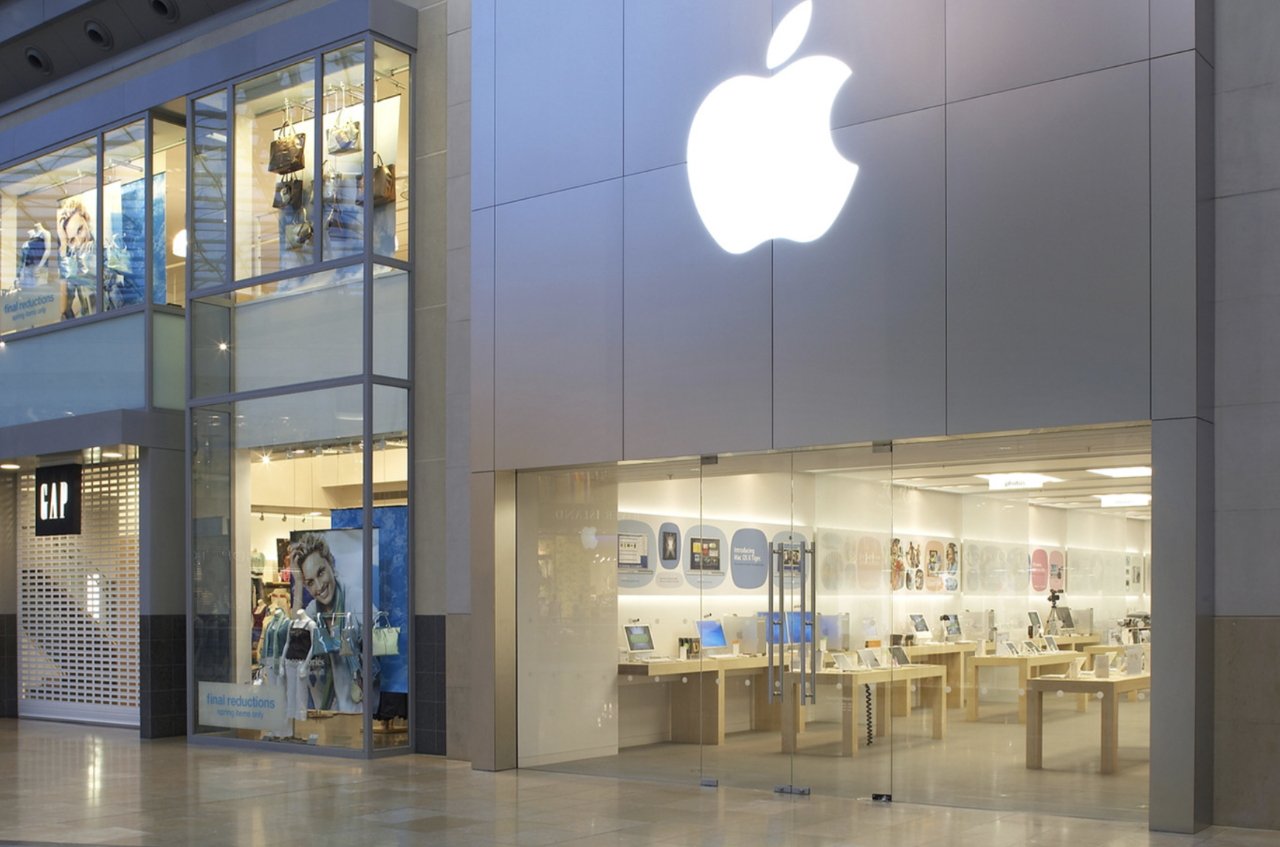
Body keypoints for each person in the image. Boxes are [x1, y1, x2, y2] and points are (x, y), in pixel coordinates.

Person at [290, 533, 375, 713]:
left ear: (331, 564)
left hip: (364, 712)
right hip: (335, 711)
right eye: (310, 582)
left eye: (321, 572)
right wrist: (298, 583)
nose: (319, 586)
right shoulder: (315, 609)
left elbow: (380, 647)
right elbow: (295, 637)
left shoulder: (355, 599)